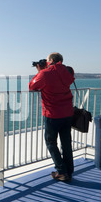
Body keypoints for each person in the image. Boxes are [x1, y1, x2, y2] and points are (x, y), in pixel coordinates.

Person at [29, 52, 75, 182]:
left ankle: (61, 171)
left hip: (52, 114)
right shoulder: (69, 71)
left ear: (51, 60)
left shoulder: (45, 74)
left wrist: (40, 71)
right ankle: (69, 170)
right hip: (67, 113)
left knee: (51, 142)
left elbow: (32, 86)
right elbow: (63, 74)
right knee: (66, 143)